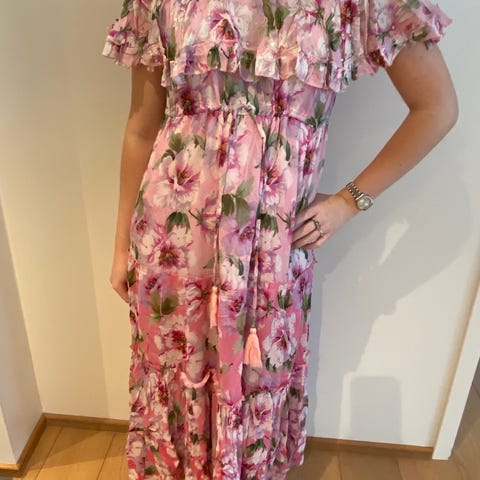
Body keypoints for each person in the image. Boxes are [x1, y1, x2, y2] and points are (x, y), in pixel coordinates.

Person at [104, 0, 457, 478]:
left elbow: (436, 109)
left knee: (255, 382)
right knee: (176, 380)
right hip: (172, 247)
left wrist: (349, 202)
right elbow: (141, 127)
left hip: (270, 259)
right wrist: (121, 247)